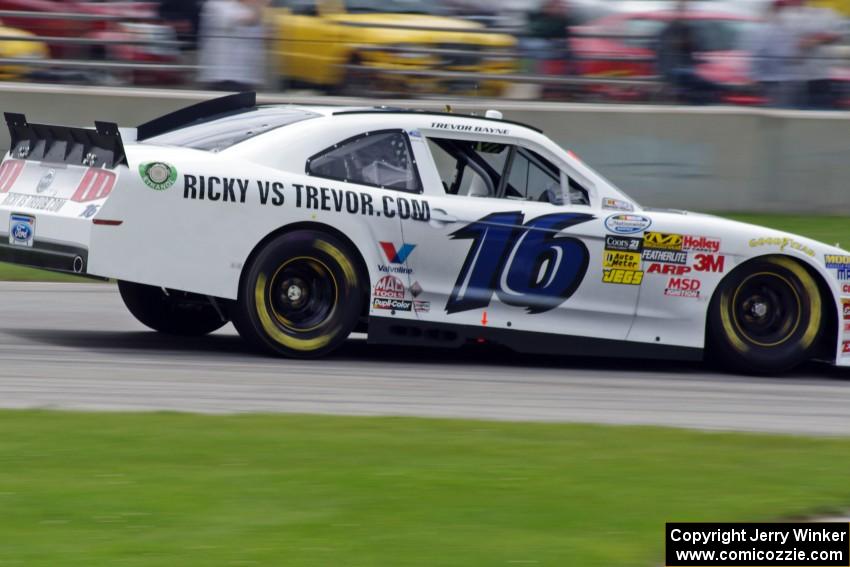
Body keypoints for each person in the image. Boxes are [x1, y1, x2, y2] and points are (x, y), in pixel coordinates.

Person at [656, 0, 723, 104]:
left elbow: (696, 46)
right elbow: (697, 46)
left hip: (676, 69)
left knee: (702, 86)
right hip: (675, 70)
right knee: (709, 86)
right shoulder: (678, 29)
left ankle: (704, 100)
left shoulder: (673, 29)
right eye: (683, 9)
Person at [782, 0, 844, 109]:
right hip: (795, 77)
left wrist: (815, 40)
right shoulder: (789, 15)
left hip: (818, 75)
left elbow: (839, 34)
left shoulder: (828, 14)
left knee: (818, 112)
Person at [197, 0, 269, 92]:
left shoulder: (244, 7)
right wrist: (261, 4)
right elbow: (248, 19)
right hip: (223, 76)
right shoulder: (216, 5)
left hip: (245, 76)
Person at [750, 0, 799, 107]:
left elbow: (757, 54)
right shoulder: (767, 28)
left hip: (780, 80)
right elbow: (757, 53)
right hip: (772, 81)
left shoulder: (785, 29)